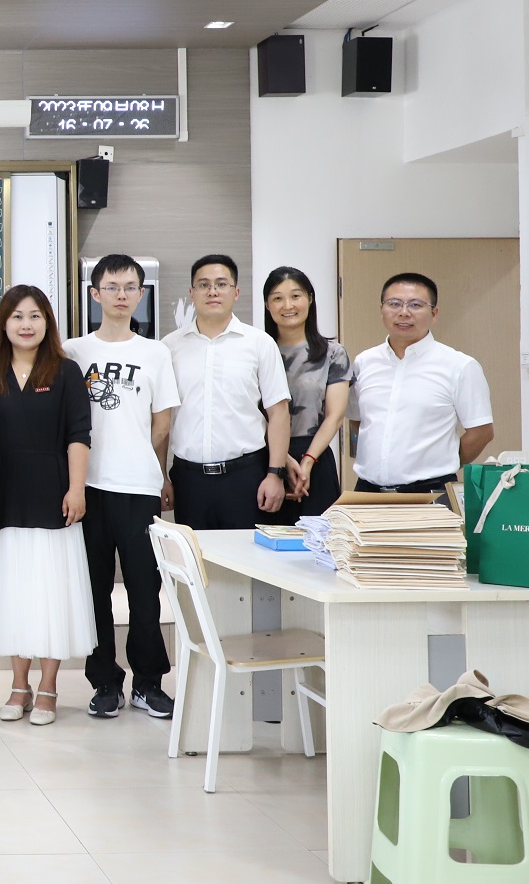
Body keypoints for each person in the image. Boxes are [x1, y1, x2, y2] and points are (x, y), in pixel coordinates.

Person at [63, 254, 181, 720]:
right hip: (87, 487)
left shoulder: (156, 353)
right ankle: (105, 683)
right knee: (93, 590)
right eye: (111, 287)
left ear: (140, 293)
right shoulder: (74, 351)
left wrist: (151, 467)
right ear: (95, 294)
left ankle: (148, 683)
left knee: (144, 590)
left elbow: (162, 422)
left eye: (130, 287)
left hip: (138, 487)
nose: (121, 294)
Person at [0, 285, 94, 728]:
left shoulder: (66, 371)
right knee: (13, 593)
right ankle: (19, 686)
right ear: (3, 324)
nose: (26, 324)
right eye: (17, 316)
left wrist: (76, 489)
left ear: (48, 323)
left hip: (52, 493)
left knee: (50, 592)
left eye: (35, 316)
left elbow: (79, 434)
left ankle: (49, 687)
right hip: (4, 494)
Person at [162, 254, 292, 532]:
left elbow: (279, 413)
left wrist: (275, 474)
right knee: (194, 556)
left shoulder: (259, 343)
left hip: (246, 477)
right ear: (192, 293)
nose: (212, 291)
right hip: (189, 479)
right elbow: (161, 418)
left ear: (236, 292)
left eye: (221, 284)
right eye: (204, 285)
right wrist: (161, 476)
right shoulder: (169, 347)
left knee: (246, 557)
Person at [350, 272, 494, 495]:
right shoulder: (364, 362)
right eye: (394, 304)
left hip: (430, 491)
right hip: (367, 491)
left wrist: (442, 463)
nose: (404, 312)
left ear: (434, 313)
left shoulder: (459, 365)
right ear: (382, 310)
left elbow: (481, 432)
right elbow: (358, 422)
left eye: (415, 305)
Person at [261, 267, 349, 521]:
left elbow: (334, 417)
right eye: (278, 298)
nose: (288, 305)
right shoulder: (257, 352)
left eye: (296, 296)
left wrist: (307, 462)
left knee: (318, 540)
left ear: (310, 299)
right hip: (267, 460)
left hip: (315, 457)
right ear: (267, 305)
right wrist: (281, 460)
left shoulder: (333, 353)